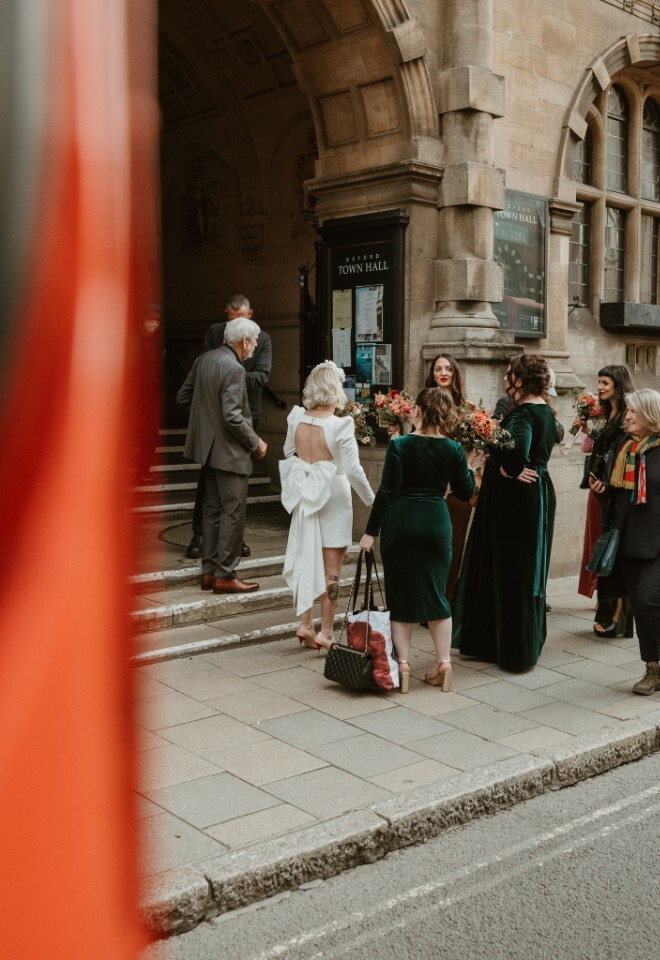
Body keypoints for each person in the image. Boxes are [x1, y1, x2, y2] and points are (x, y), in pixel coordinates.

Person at [359, 388, 478, 693]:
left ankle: (404, 667)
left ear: (420, 411)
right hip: (437, 525)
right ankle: (444, 665)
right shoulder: (452, 449)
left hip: (402, 524)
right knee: (438, 595)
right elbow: (465, 492)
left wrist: (370, 533)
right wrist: (468, 464)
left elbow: (386, 493)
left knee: (400, 597)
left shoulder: (400, 445)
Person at [452, 354, 557, 671]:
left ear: (521, 381)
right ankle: (512, 643)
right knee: (521, 572)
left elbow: (515, 454)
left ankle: (514, 651)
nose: (505, 380)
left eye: (509, 375)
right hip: (535, 494)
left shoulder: (524, 413)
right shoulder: (546, 410)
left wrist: (509, 467)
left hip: (517, 501)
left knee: (511, 572)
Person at [280, 361, 374, 650]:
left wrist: (309, 463)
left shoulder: (296, 419)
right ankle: (327, 633)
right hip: (333, 491)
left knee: (307, 556)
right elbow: (354, 471)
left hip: (306, 492)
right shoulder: (339, 425)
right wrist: (374, 501)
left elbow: (287, 452)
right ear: (336, 389)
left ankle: (306, 624)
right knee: (332, 568)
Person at [177, 316, 267, 593]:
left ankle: (209, 571)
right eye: (254, 341)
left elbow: (184, 396)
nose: (255, 347)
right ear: (244, 341)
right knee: (232, 512)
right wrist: (256, 442)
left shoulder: (203, 360)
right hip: (229, 452)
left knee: (213, 511)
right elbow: (232, 415)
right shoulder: (235, 368)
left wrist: (207, 421)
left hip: (207, 449)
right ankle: (226, 574)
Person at [591, 389, 660, 694]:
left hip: (657, 540)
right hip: (627, 538)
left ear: (650, 415)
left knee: (648, 599)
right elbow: (617, 492)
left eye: (633, 412)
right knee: (640, 607)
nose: (627, 416)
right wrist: (601, 490)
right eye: (628, 411)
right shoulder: (625, 447)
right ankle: (652, 669)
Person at [575, 364, 634, 636]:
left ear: (618, 385)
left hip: (615, 490)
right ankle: (610, 612)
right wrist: (588, 431)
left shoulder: (626, 417)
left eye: (605, 383)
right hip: (600, 488)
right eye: (599, 381)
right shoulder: (610, 414)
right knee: (603, 547)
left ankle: (617, 617)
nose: (600, 387)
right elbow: (599, 447)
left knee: (613, 549)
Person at [423, 354, 477, 605]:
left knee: (453, 548)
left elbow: (471, 450)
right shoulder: (422, 404)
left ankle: (446, 601)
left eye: (448, 369)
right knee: (428, 550)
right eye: (438, 369)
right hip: (428, 488)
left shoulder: (466, 410)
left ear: (455, 374)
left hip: (457, 489)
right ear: (432, 374)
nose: (443, 373)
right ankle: (426, 600)